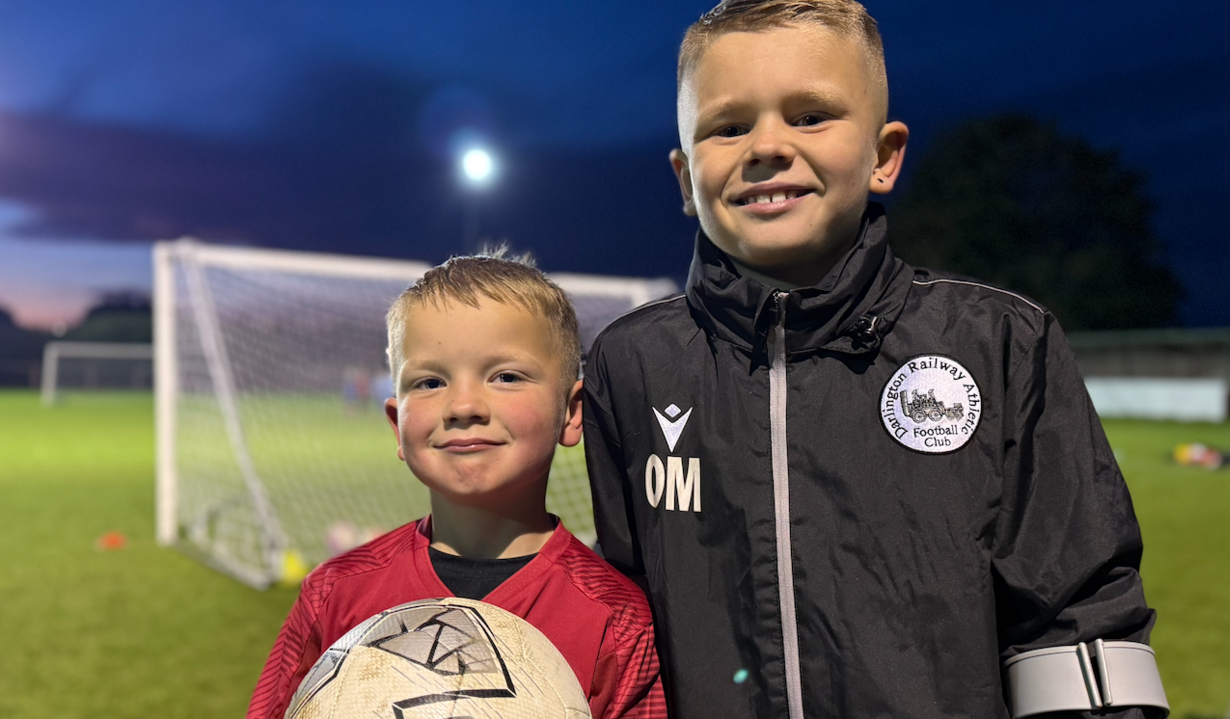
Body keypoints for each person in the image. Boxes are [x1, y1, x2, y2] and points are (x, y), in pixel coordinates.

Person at [583, 1, 1163, 717]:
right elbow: (624, 622)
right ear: (683, 176)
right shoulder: (628, 363)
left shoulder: (1004, 343)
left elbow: (1079, 620)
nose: (766, 145)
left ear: (884, 156)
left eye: (810, 116)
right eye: (728, 126)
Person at [249, 253, 666, 719]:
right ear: (397, 426)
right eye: (429, 382)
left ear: (571, 413)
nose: (463, 405)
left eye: (506, 376)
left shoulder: (617, 619)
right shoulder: (334, 594)